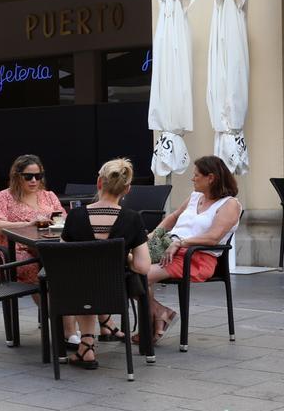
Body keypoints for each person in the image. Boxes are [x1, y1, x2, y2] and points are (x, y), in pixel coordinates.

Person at [59, 158, 152, 369]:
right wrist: (124, 257)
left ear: (99, 183)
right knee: (95, 280)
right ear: (127, 189)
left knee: (85, 278)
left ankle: (87, 345)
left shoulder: (75, 216)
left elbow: (63, 256)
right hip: (116, 290)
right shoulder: (132, 219)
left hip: (76, 290)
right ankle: (89, 344)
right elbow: (143, 267)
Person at [144, 156, 242, 344]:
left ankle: (156, 320)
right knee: (126, 268)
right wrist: (153, 236)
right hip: (170, 250)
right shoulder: (195, 196)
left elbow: (213, 237)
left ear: (211, 178)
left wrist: (181, 242)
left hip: (196, 257)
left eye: (196, 175)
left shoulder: (229, 204)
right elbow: (173, 217)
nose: (192, 178)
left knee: (139, 275)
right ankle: (159, 314)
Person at [0, 154, 63, 288]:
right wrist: (27, 224)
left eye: (38, 176)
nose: (34, 180)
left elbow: (62, 220)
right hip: (14, 251)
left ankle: (61, 307)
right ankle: (51, 307)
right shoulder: (3, 197)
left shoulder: (49, 196)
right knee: (39, 268)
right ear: (17, 176)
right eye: (28, 177)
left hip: (47, 247)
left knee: (70, 264)